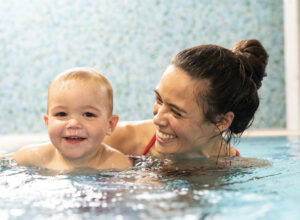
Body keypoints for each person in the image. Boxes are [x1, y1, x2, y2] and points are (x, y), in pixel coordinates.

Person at [104, 39, 269, 160]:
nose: (157, 119)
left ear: (222, 122)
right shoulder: (114, 142)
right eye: (159, 99)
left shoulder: (237, 171)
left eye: (176, 112)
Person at [1, 67, 132, 171]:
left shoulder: (116, 164)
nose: (74, 123)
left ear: (110, 125)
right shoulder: (35, 156)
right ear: (47, 122)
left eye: (88, 114)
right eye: (62, 114)